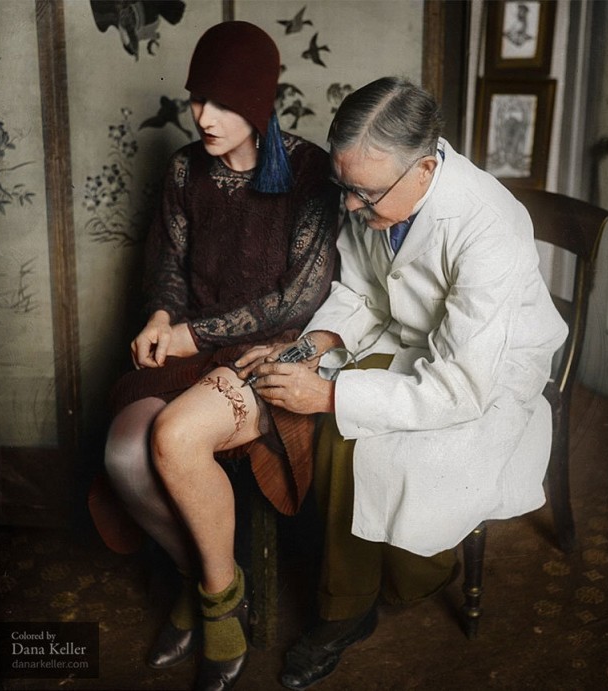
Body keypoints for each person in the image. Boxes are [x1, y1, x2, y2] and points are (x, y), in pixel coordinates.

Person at [236, 76, 568, 690]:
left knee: (374, 445)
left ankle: (412, 577)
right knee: (338, 429)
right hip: (411, 337)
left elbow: (461, 386)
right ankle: (347, 606)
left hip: (489, 375)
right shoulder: (381, 193)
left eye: (364, 194)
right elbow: (361, 290)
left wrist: (329, 393)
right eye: (344, 188)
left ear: (424, 169)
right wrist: (314, 345)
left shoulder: (489, 225)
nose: (350, 208)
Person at [102, 21, 339, 691]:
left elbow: (297, 300)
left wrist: (192, 334)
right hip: (195, 344)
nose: (205, 117)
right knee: (123, 454)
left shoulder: (310, 172)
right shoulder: (185, 168)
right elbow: (170, 268)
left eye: (225, 103)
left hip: (268, 355)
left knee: (173, 440)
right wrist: (160, 315)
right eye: (198, 98)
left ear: (260, 103)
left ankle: (216, 609)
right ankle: (206, 575)